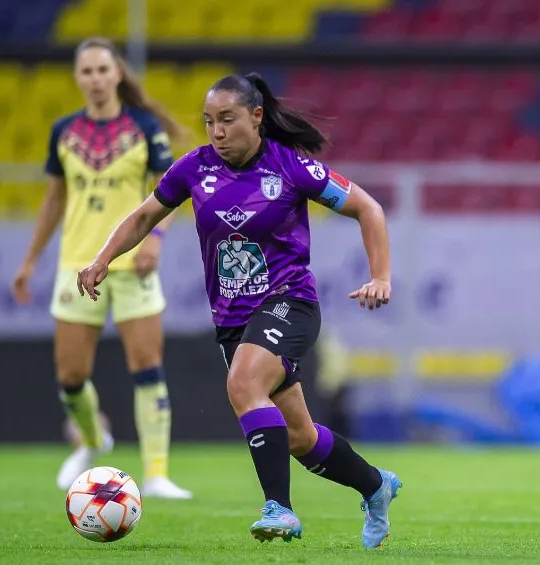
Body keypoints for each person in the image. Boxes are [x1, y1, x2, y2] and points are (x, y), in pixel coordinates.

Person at [77, 72, 401, 547]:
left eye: (227, 120)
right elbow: (146, 214)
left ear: (256, 116)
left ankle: (280, 510)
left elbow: (368, 208)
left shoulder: (291, 167)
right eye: (209, 122)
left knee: (244, 384)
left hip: (290, 301)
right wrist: (104, 257)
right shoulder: (194, 168)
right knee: (298, 437)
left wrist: (381, 277)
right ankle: (376, 487)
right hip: (233, 320)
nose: (218, 132)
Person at [12, 37, 192, 499]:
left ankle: (156, 474)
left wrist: (155, 239)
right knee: (70, 377)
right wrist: (31, 260)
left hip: (132, 264)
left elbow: (169, 191)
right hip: (76, 264)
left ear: (117, 75)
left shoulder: (145, 127)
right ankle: (93, 440)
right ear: (77, 78)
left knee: (147, 364)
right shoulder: (64, 131)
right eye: (86, 71)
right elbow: (54, 198)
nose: (94, 78)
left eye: (102, 70)